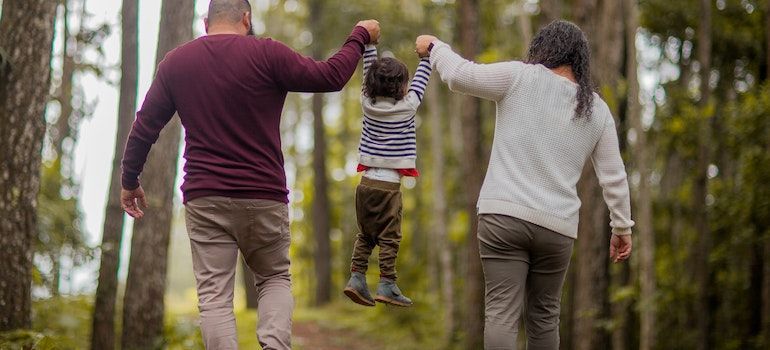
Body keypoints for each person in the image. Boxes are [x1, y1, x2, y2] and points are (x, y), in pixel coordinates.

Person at [119, 0, 380, 348]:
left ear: (205, 20)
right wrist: (360, 35)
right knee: (274, 278)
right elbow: (331, 76)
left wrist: (130, 180)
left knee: (214, 297)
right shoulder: (267, 53)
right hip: (264, 195)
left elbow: (145, 126)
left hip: (205, 195)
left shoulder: (177, 63)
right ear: (246, 18)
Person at [415, 20, 634, 349]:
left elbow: (460, 75)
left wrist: (434, 46)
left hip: (503, 217)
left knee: (501, 312)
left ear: (543, 49)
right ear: (579, 60)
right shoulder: (596, 109)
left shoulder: (519, 76)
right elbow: (614, 175)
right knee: (545, 317)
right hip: (557, 228)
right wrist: (622, 227)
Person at [342, 43, 432, 308]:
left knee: (366, 234)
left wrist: (370, 45)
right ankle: (387, 284)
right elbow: (421, 80)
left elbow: (367, 70)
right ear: (402, 87)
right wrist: (426, 56)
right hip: (389, 187)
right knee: (389, 237)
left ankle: (356, 277)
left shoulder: (366, 103)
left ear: (370, 85)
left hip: (366, 184)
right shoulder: (408, 106)